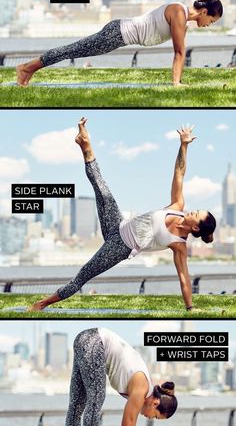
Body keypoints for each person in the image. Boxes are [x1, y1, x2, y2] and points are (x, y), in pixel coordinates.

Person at [30, 118, 216, 314]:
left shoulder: (178, 245)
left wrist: (190, 308)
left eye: (197, 215)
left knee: (82, 276)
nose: (193, 211)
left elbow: (184, 278)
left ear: (195, 228)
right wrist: (184, 145)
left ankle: (41, 304)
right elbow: (180, 172)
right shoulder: (177, 206)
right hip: (117, 223)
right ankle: (85, 142)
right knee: (102, 188)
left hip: (118, 248)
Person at [16, 0, 223, 89]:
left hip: (118, 35)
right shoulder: (179, 13)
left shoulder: (184, 20)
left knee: (74, 50)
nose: (209, 25)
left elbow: (180, 50)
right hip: (117, 33)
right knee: (72, 50)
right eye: (212, 21)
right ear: (204, 12)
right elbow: (179, 52)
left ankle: (28, 69)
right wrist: (176, 84)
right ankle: (26, 68)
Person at [65, 326, 178, 426]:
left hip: (84, 338)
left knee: (77, 404)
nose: (150, 418)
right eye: (155, 416)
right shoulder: (141, 389)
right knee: (96, 398)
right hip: (94, 341)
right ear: (155, 403)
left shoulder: (143, 388)